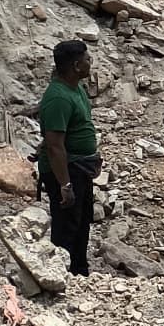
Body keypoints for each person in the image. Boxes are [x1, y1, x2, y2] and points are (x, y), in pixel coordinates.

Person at [36, 39, 99, 276]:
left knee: (82, 222)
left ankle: (79, 272)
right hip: (66, 171)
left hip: (80, 168)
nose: (89, 62)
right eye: (86, 59)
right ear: (76, 65)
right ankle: (60, 274)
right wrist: (65, 184)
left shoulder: (77, 89)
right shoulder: (59, 97)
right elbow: (54, 145)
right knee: (67, 224)